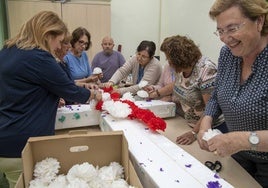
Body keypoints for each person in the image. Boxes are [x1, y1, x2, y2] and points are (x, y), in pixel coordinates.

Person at [0, 11, 102, 188]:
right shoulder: (38, 56)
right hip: (21, 145)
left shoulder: (8, 51)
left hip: (5, 138)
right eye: (59, 40)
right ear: (48, 35)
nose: (59, 46)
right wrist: (94, 94)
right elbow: (70, 91)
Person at [197, 0, 268, 187]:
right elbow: (217, 94)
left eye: (232, 28)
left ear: (259, 21)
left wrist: (242, 139)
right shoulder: (227, 54)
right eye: (220, 31)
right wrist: (206, 120)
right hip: (238, 155)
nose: (225, 38)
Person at [160, 35, 228, 146]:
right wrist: (158, 92)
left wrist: (194, 133)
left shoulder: (206, 70)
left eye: (169, 58)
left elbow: (210, 108)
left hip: (211, 130)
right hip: (190, 125)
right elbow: (177, 84)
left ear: (178, 58)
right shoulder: (181, 68)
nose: (168, 61)